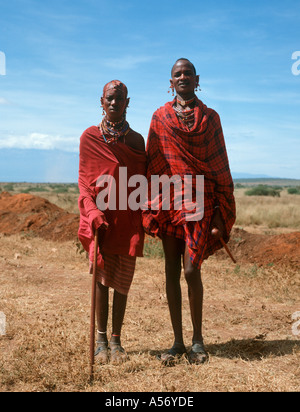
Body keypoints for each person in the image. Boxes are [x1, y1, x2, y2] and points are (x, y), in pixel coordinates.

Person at [143, 58, 236, 365]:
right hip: (169, 200)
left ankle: (198, 340)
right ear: (171, 82)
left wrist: (221, 213)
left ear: (197, 79)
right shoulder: (160, 117)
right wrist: (149, 202)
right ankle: (178, 342)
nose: (182, 77)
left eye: (187, 73)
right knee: (171, 270)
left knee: (191, 269)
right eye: (176, 74)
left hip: (199, 199)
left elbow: (220, 166)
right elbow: (152, 162)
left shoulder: (210, 118)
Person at [78, 80, 146, 365]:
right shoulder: (89, 137)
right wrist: (92, 212)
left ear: (127, 102)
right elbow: (84, 182)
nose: (114, 103)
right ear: (101, 102)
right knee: (101, 278)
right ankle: (101, 340)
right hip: (101, 218)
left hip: (128, 218)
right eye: (110, 99)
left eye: (120, 99)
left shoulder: (136, 141)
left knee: (122, 281)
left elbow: (143, 183)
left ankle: (116, 340)